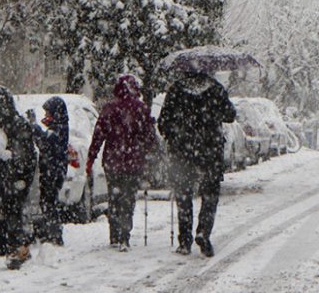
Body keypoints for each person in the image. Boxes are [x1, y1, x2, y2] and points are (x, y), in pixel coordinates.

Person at [158, 70, 236, 257]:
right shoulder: (215, 89)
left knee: (184, 195)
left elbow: (163, 122)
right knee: (210, 194)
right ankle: (203, 232)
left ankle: (184, 240)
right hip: (209, 150)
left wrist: (174, 134)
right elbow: (230, 115)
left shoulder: (177, 89)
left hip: (182, 151)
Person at [85, 75, 157, 252]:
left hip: (113, 161)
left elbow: (98, 135)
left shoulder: (110, 109)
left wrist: (91, 157)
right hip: (134, 161)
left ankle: (114, 233)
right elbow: (150, 137)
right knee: (128, 198)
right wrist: (148, 153)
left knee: (114, 197)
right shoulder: (141, 109)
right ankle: (125, 234)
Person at [0, 86, 36, 269]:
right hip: (5, 174)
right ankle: (17, 247)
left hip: (18, 175)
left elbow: (25, 154)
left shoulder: (18, 124)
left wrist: (9, 157)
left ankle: (17, 248)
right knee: (8, 210)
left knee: (14, 210)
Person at [28, 96, 69, 245]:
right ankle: (50, 232)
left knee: (49, 201)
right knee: (47, 201)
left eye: (48, 114)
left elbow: (44, 143)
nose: (45, 117)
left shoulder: (59, 129)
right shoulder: (58, 126)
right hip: (53, 168)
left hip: (53, 170)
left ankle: (54, 234)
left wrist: (34, 127)